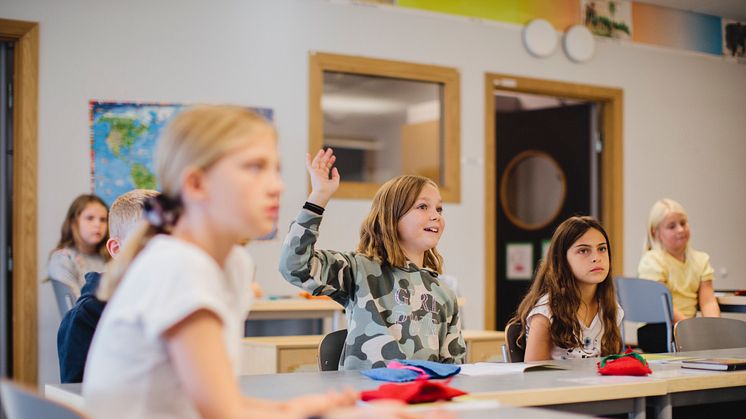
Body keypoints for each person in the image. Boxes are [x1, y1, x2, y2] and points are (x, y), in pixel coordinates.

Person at [82, 106, 358, 419]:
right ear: (197, 184)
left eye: (275, 170)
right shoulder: (179, 266)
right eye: (255, 168)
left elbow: (222, 401)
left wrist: (299, 408)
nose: (277, 186)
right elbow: (224, 414)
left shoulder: (233, 264)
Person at [279, 148, 466, 371]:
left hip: (420, 401)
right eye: (422, 207)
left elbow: (454, 368)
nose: (436, 215)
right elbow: (294, 266)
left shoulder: (444, 293)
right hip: (368, 399)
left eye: (439, 208)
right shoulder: (359, 271)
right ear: (391, 217)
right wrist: (318, 197)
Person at [57, 189, 159, 383]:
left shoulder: (161, 301)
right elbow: (77, 395)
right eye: (148, 244)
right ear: (116, 249)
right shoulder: (86, 316)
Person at [511, 216, 623, 361]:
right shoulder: (546, 312)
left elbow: (611, 366)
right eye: (583, 251)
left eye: (602, 248)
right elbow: (533, 377)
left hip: (597, 384)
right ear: (562, 259)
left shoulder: (611, 309)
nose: (596, 257)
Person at [636, 198, 720, 352]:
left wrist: (713, 329)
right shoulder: (652, 260)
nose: (680, 229)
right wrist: (690, 328)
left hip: (686, 327)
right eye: (671, 226)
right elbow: (663, 305)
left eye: (683, 223)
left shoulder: (701, 260)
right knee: (690, 339)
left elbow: (708, 301)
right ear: (656, 233)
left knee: (717, 337)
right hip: (657, 327)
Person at [48, 194, 110, 297]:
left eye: (103, 220)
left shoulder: (109, 258)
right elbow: (74, 308)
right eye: (90, 218)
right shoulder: (63, 259)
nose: (97, 224)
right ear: (73, 222)